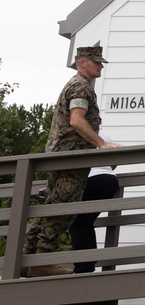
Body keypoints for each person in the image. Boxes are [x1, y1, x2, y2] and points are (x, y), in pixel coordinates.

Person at [22, 45, 122, 277]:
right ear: (82, 63)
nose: (101, 66)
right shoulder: (80, 86)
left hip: (61, 157)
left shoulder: (76, 84)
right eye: (97, 62)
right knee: (62, 211)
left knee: (52, 205)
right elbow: (77, 120)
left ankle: (28, 259)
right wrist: (102, 143)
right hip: (70, 159)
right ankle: (40, 262)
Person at [69, 142, 120, 273]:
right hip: (110, 180)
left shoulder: (78, 135)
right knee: (86, 223)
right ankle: (89, 263)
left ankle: (84, 267)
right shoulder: (105, 136)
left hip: (91, 179)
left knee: (78, 224)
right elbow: (113, 164)